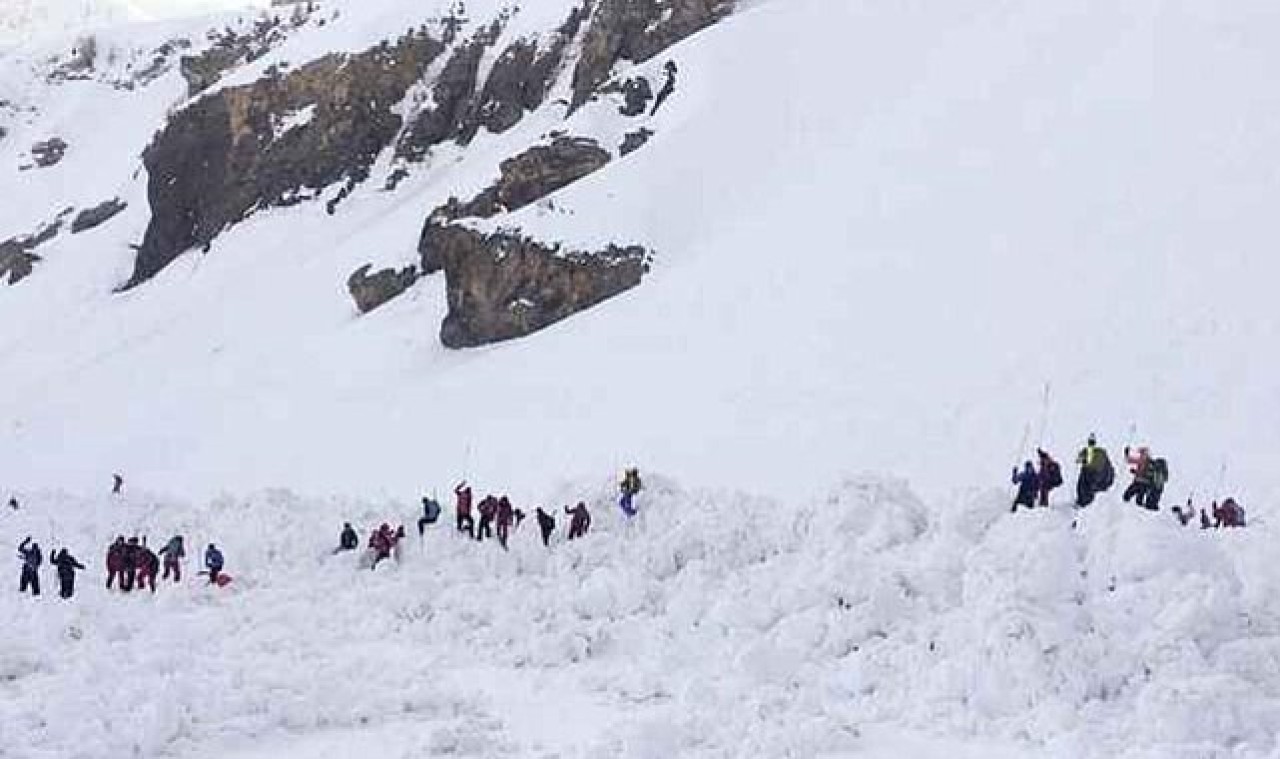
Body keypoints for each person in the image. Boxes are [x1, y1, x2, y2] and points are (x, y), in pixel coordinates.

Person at [1075, 434, 1114, 507]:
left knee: (1085, 487)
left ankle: (1084, 503)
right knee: (1086, 488)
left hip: (1090, 472)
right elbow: (1078, 460)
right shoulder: (1099, 451)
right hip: (1093, 473)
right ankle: (1084, 503)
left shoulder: (1091, 451)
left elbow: (1078, 460)